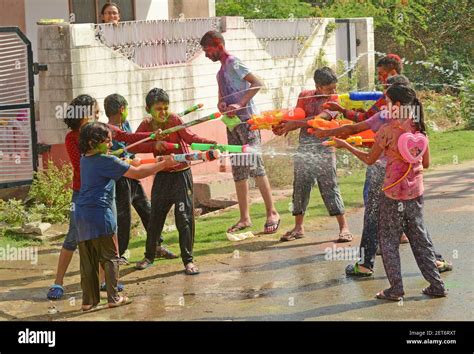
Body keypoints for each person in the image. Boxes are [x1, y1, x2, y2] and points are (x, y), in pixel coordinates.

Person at [312, 75, 452, 276]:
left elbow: (357, 134)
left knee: (374, 218)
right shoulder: (417, 123)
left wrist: (332, 137)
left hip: (383, 177)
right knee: (413, 222)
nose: (382, 104)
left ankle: (368, 266)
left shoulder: (385, 122)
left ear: (395, 102)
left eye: (385, 100)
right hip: (410, 183)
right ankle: (434, 262)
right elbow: (426, 162)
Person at [76, 122, 174, 311]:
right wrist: (163, 164)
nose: (111, 145)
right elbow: (137, 174)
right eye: (107, 142)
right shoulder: (107, 162)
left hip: (82, 214)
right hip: (101, 213)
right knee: (111, 256)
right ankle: (114, 298)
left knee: (88, 258)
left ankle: (88, 301)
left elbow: (113, 162)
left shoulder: (85, 159)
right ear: (92, 142)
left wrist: (126, 161)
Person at [200, 30, 281, 234]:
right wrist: (222, 105)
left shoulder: (234, 63)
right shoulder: (220, 72)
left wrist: (240, 104)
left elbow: (257, 83)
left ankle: (272, 212)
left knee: (256, 167)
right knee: (238, 170)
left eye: (207, 50)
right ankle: (244, 218)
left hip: (248, 123)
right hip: (232, 125)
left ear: (218, 45)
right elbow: (221, 99)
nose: (206, 54)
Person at [134, 88, 216, 275]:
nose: (163, 112)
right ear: (148, 109)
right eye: (158, 109)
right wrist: (153, 143)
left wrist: (209, 144)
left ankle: (188, 261)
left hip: (181, 175)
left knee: (184, 218)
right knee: (155, 217)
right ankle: (149, 256)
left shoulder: (174, 120)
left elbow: (191, 138)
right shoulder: (146, 125)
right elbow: (135, 145)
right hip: (162, 175)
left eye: (165, 108)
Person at [273, 67, 353, 243]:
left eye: (335, 87)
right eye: (329, 88)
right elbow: (296, 115)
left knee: (329, 186)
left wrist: (294, 124)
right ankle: (298, 227)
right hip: (305, 148)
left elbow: (320, 120)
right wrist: (282, 125)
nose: (334, 91)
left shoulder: (333, 99)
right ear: (318, 85)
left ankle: (344, 227)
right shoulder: (304, 96)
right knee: (300, 186)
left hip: (325, 147)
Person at [104, 93, 178, 263]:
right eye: (127, 108)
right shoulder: (108, 132)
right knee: (123, 218)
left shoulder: (126, 125)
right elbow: (112, 156)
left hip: (133, 178)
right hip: (121, 179)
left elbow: (133, 144)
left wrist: (147, 144)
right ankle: (119, 254)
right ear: (122, 109)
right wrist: (128, 159)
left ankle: (156, 245)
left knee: (147, 210)